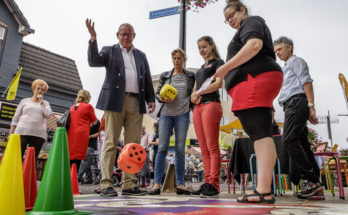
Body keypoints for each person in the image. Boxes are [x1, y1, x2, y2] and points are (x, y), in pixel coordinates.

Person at [214, 0, 283, 203]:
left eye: (232, 16)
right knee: (258, 134)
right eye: (227, 20)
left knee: (260, 134)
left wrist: (226, 67)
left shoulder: (251, 21)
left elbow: (255, 45)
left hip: (254, 78)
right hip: (250, 81)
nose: (231, 21)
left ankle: (263, 190)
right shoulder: (245, 26)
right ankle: (263, 189)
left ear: (242, 10)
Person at [86, 19, 156, 197]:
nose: (126, 37)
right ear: (117, 36)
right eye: (122, 34)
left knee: (132, 145)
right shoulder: (109, 50)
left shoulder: (141, 55)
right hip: (114, 100)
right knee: (110, 142)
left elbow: (147, 78)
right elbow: (93, 61)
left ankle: (129, 184)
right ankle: (106, 184)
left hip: (136, 101)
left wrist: (150, 98)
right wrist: (93, 39)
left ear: (134, 36)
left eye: (129, 34)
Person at [273, 36, 322, 199]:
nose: (277, 53)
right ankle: (316, 185)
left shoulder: (296, 61)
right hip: (291, 105)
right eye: (276, 50)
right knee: (302, 143)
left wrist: (311, 107)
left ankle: (311, 179)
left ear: (290, 47)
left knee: (289, 140)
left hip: (297, 102)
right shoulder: (286, 66)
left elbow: (307, 82)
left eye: (280, 49)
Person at [148, 48, 195, 195]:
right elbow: (158, 93)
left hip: (183, 114)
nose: (177, 61)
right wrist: (162, 98)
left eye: (180, 58)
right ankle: (156, 184)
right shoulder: (165, 75)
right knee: (162, 148)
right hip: (166, 114)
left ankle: (180, 185)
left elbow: (193, 93)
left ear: (184, 60)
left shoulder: (190, 76)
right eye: (174, 58)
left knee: (180, 150)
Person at [190, 36, 224, 197]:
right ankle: (206, 182)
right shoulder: (199, 69)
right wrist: (193, 96)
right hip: (198, 108)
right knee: (203, 149)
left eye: (204, 46)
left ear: (211, 46)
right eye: (199, 48)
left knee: (212, 147)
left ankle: (214, 184)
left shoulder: (218, 63)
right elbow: (194, 91)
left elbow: (218, 83)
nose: (201, 50)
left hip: (211, 104)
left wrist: (200, 92)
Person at [10, 79, 53, 160]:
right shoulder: (24, 101)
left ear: (44, 92)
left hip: (38, 135)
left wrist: (42, 103)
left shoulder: (45, 103)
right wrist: (11, 133)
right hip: (22, 132)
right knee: (17, 157)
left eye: (42, 90)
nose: (40, 91)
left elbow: (48, 115)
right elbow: (15, 118)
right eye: (38, 88)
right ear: (34, 88)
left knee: (31, 160)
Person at [68, 90, 98, 172]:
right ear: (87, 97)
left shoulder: (72, 107)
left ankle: (70, 176)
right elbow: (95, 122)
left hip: (71, 133)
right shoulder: (88, 107)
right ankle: (74, 177)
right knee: (78, 156)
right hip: (82, 133)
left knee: (71, 155)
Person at [78, 119, 100, 184]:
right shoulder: (84, 121)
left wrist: (90, 136)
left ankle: (79, 176)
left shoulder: (96, 122)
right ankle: (89, 178)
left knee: (85, 158)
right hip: (84, 144)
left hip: (91, 144)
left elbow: (99, 133)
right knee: (87, 161)